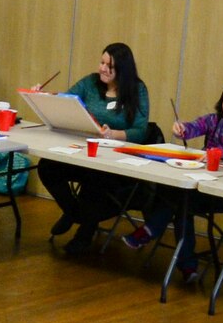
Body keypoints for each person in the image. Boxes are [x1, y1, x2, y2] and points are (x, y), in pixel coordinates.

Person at [123, 78, 223, 273]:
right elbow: (193, 127)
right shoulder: (214, 121)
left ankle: (151, 231)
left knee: (179, 200)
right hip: (203, 185)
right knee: (181, 200)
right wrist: (182, 130)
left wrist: (219, 152)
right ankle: (187, 265)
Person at [43, 44, 152, 255]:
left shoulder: (137, 90)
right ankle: (74, 212)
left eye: (109, 66)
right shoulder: (90, 83)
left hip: (113, 158)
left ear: (123, 70)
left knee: (95, 179)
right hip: (83, 151)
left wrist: (114, 134)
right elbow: (66, 101)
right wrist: (48, 96)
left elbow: (140, 131)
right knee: (47, 167)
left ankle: (84, 233)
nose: (103, 68)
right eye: (102, 62)